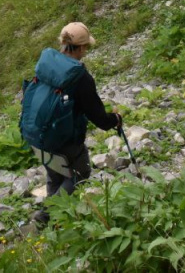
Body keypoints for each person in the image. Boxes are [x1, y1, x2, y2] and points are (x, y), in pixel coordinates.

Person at [33, 22, 121, 223]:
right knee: (80, 173)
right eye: (86, 47)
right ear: (80, 47)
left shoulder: (47, 62)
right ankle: (45, 217)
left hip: (40, 132)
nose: (86, 51)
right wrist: (115, 120)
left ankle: (58, 222)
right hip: (65, 138)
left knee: (56, 176)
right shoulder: (79, 76)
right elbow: (99, 117)